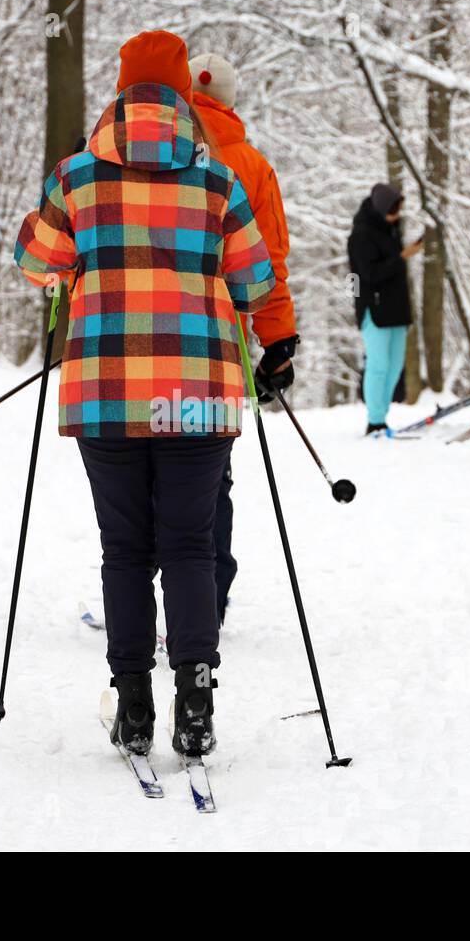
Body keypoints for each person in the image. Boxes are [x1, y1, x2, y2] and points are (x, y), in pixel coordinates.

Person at [13, 31, 275, 758]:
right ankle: (195, 695)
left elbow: (33, 261)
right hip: (200, 396)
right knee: (190, 544)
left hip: (108, 393)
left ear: (122, 91)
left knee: (124, 549)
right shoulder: (218, 181)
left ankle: (133, 704)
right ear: (184, 99)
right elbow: (256, 281)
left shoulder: (78, 176)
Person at [188, 51, 297, 627]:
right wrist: (278, 340)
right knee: (209, 474)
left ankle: (149, 594)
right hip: (220, 339)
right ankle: (208, 594)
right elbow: (270, 260)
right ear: (229, 100)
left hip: (144, 336)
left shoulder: (151, 153)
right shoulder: (252, 167)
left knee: (145, 468)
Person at [348, 183, 424, 436]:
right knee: (378, 365)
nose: (397, 216)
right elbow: (368, 274)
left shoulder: (391, 230)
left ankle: (382, 416)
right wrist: (402, 257)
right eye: (394, 211)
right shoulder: (361, 235)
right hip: (375, 310)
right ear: (382, 209)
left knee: (394, 367)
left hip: (396, 310)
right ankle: (375, 420)